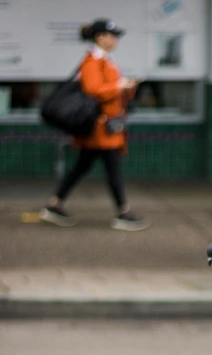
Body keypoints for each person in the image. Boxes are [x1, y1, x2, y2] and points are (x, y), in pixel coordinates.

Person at [41, 19, 149, 231]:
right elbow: (94, 90)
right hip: (101, 128)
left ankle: (55, 204)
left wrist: (125, 87)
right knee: (112, 167)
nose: (115, 39)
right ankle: (123, 212)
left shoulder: (104, 60)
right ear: (100, 37)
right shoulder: (93, 61)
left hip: (103, 126)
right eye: (112, 35)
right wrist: (119, 85)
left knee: (83, 166)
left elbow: (104, 89)